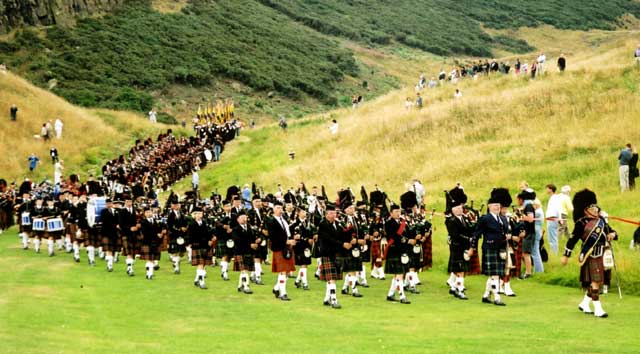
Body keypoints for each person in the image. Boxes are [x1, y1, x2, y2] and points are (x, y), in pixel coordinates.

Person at [561, 189, 617, 318]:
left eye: (596, 206)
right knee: (596, 281)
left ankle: (585, 303)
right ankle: (598, 308)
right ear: (585, 209)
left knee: (598, 281)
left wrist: (613, 234)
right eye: (592, 207)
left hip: (603, 254)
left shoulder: (601, 220)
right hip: (591, 254)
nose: (596, 209)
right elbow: (572, 240)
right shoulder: (581, 223)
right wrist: (566, 255)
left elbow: (613, 232)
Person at [469, 195, 508, 306]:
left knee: (494, 275)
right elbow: (476, 235)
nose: (497, 207)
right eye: (494, 205)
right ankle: (497, 298)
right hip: (489, 248)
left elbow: (505, 232)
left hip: (501, 249)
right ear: (489, 207)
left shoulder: (503, 219)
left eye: (498, 205)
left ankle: (486, 295)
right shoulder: (485, 219)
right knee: (495, 274)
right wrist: (472, 247)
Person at [444, 186, 473, 300]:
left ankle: (454, 288)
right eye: (458, 208)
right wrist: (468, 239)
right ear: (453, 210)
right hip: (457, 248)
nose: (461, 209)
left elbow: (469, 229)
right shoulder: (451, 221)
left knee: (461, 271)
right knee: (460, 271)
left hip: (464, 247)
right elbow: (456, 236)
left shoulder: (464, 219)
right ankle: (460, 291)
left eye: (461, 208)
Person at [316, 205, 344, 308]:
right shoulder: (323, 225)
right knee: (331, 278)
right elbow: (328, 239)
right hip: (327, 253)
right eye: (331, 213)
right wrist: (342, 244)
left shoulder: (337, 224)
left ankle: (326, 299)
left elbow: (342, 235)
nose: (334, 215)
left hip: (336, 253)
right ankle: (334, 300)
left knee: (332, 279)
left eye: (335, 213)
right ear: (326, 214)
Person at [267, 201, 296, 301]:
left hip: (287, 248)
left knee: (287, 272)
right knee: (283, 271)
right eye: (278, 208)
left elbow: (287, 233)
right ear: (273, 209)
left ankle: (276, 288)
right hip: (279, 247)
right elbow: (273, 236)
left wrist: (292, 239)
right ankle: (283, 293)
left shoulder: (284, 220)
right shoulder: (271, 221)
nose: (280, 210)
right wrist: (286, 241)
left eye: (281, 208)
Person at [383, 204, 411, 304]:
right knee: (399, 275)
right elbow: (393, 237)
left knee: (398, 275)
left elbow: (406, 233)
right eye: (396, 212)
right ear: (391, 213)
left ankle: (390, 294)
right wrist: (407, 241)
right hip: (394, 250)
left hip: (402, 251)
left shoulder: (402, 222)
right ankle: (402, 296)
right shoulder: (388, 223)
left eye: (399, 211)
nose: (398, 213)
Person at [232, 211, 255, 294]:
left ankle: (240, 286)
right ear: (238, 219)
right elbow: (238, 241)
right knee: (244, 270)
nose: (244, 219)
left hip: (249, 251)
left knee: (244, 270)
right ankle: (246, 286)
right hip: (240, 252)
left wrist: (256, 242)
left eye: (245, 217)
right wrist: (250, 245)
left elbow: (252, 237)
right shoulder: (235, 229)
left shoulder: (249, 227)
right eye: (242, 218)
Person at [189, 208, 213, 289]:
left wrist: (210, 239)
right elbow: (193, 237)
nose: (200, 215)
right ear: (194, 215)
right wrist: (206, 241)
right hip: (197, 246)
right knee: (201, 264)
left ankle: (196, 280)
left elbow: (208, 233)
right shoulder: (191, 224)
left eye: (201, 213)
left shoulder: (204, 223)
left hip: (206, 246)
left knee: (203, 264)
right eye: (198, 214)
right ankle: (202, 282)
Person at [517, 189, 536, 279]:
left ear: (521, 199)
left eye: (518, 199)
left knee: (526, 254)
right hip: (528, 232)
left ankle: (528, 273)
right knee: (525, 254)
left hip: (529, 233)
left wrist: (521, 216)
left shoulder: (528, 206)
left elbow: (530, 219)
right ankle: (528, 270)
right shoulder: (527, 206)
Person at [545, 184, 561, 254]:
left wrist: (559, 218)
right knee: (551, 237)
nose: (546, 190)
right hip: (551, 219)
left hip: (552, 218)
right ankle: (553, 252)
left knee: (552, 238)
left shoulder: (555, 198)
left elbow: (558, 209)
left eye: (547, 188)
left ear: (551, 189)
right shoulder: (553, 197)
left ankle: (554, 253)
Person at [532, 199, 545, 273]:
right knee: (536, 252)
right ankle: (538, 270)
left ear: (536, 205)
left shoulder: (537, 212)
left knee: (535, 252)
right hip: (538, 231)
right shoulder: (540, 211)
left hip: (536, 232)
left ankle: (539, 271)